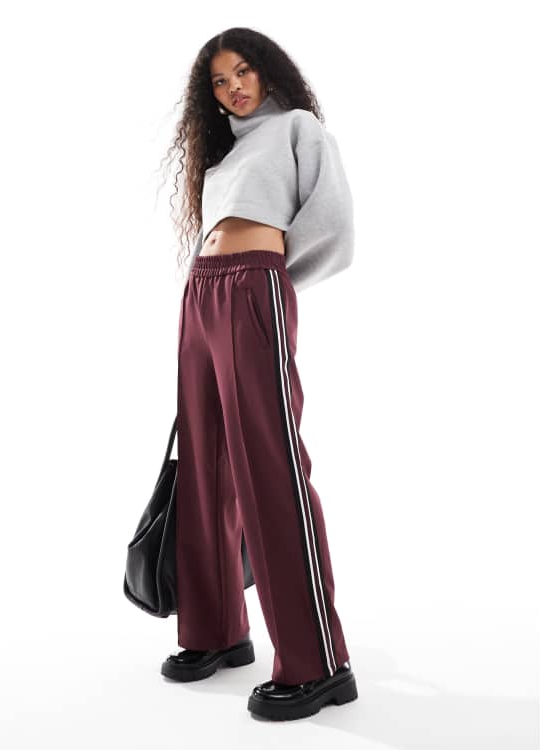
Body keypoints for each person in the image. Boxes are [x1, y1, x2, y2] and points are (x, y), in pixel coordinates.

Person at [158, 27, 358, 721]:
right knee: (203, 463)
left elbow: (334, 229)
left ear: (267, 71)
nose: (234, 87)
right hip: (201, 292)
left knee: (270, 465)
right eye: (219, 81)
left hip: (252, 289)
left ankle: (318, 663)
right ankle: (216, 630)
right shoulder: (223, 155)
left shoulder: (299, 129)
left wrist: (268, 279)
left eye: (243, 71)